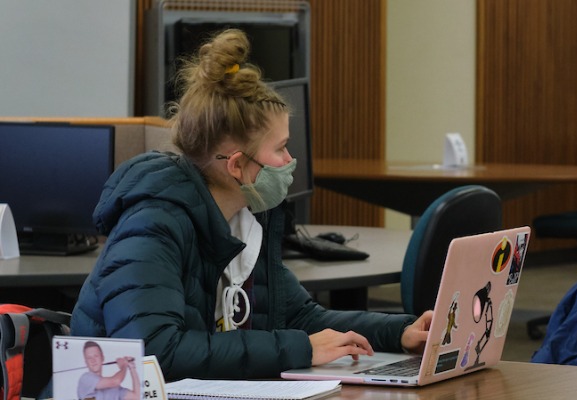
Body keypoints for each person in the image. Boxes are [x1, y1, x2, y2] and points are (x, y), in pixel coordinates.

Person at [70, 29, 432, 380]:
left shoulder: (243, 220)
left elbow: (300, 318)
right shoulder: (153, 224)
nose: (291, 160)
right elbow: (155, 352)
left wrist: (399, 331)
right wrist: (299, 350)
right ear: (237, 165)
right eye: (279, 148)